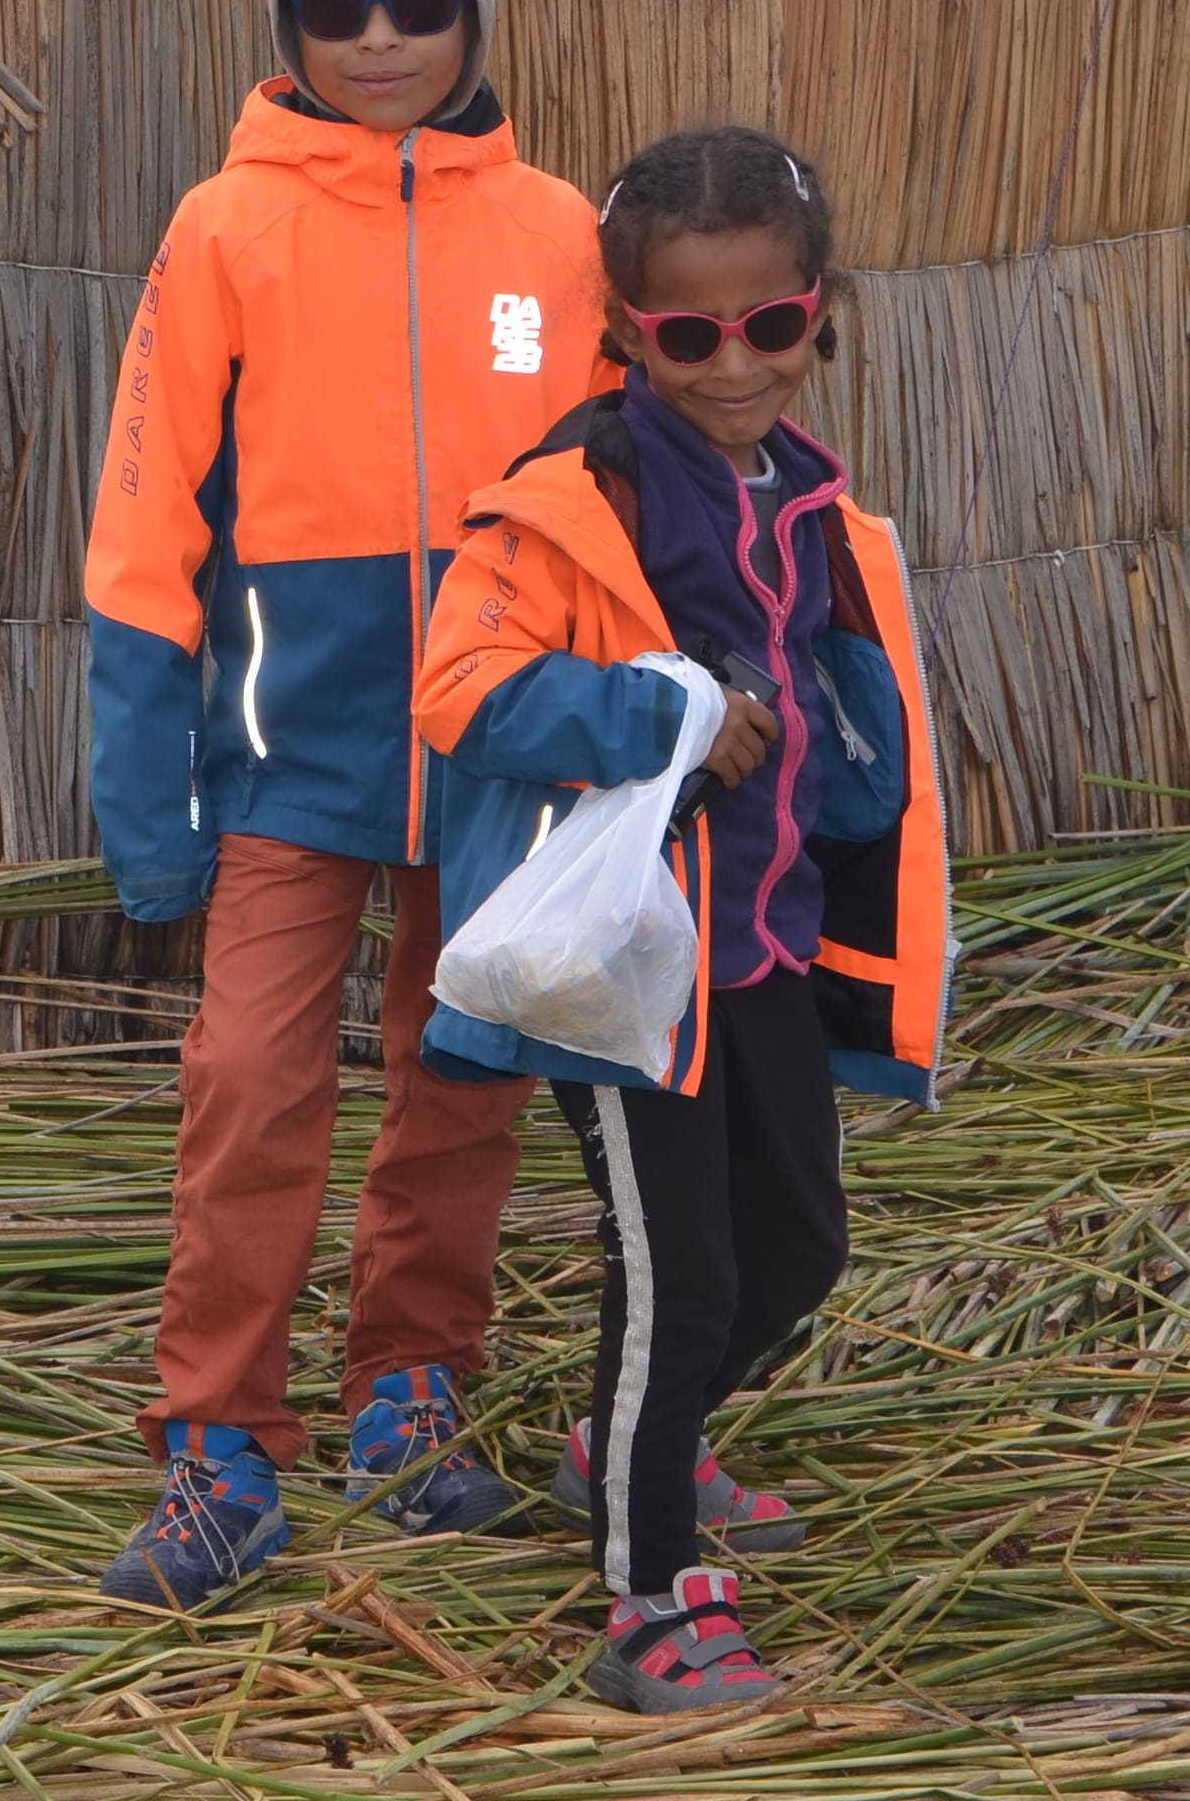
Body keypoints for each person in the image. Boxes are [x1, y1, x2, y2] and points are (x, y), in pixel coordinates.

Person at [82, 0, 616, 1608]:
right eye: (336, 5)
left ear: (476, 11)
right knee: (249, 1082)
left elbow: (618, 500)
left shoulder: (556, 235)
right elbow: (144, 528)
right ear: (287, 21)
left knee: (466, 1079)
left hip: (497, 754)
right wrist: (149, 803)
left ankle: (410, 1396)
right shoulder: (223, 228)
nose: (379, 37)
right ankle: (221, 1444)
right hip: (285, 759)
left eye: (419, 0)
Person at [406, 123, 951, 1714]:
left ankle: (626, 1441)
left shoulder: (811, 503)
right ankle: (647, 1603)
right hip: (630, 976)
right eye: (688, 337)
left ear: (818, 309)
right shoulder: (572, 501)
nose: (735, 365)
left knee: (802, 1249)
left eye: (770, 324)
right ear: (628, 333)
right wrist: (667, 715)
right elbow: (458, 691)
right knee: (681, 1283)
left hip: (765, 944)